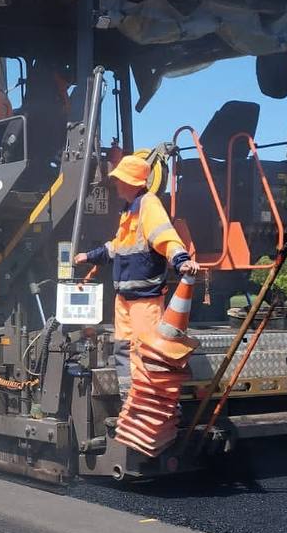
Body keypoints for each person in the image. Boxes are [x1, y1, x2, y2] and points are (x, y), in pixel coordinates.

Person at [75, 154, 199, 389]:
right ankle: (129, 401)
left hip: (145, 300)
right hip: (124, 299)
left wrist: (181, 259)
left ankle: (149, 402)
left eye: (119, 179)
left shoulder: (148, 205)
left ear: (129, 182)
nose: (116, 184)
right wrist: (89, 256)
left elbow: (165, 236)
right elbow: (117, 246)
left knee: (148, 353)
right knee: (123, 349)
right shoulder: (129, 210)